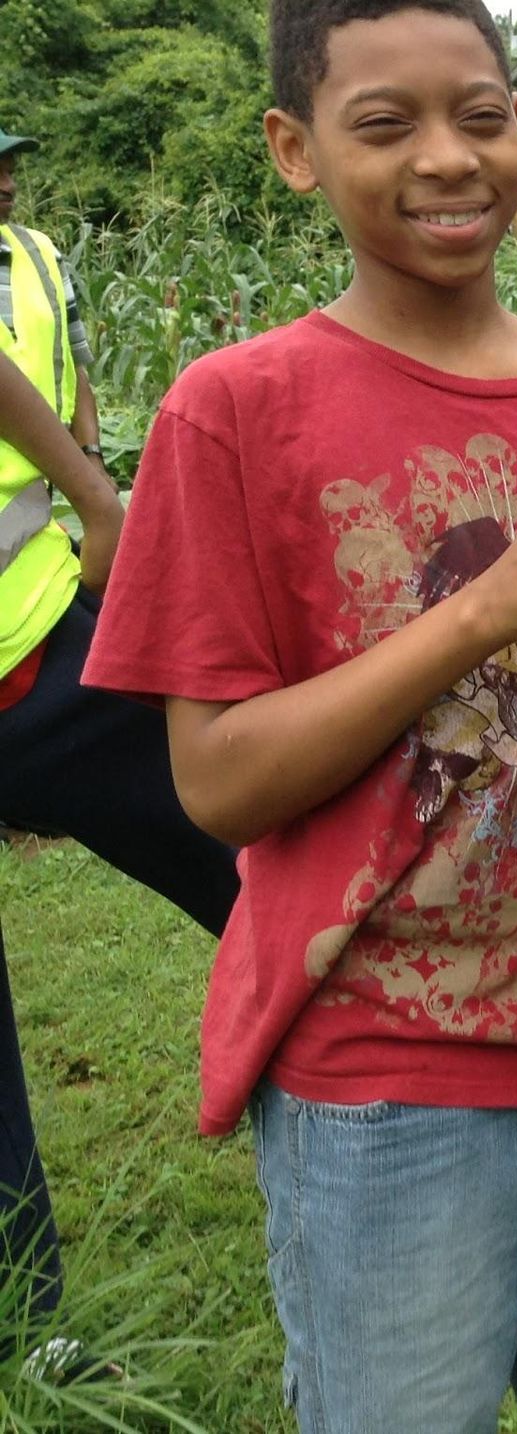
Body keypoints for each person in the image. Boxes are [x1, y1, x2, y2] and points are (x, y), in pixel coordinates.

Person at [80, 4, 517, 1429]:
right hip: (379, 1084)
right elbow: (216, 783)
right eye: (387, 124)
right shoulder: (234, 413)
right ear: (294, 149)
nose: (449, 158)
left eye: (484, 116)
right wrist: (489, 607)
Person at [1, 120, 242, 1332]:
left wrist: (97, 505)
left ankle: (342, 1071)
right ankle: (19, 1314)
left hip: (36, 639)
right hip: (33, 645)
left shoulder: (37, 255)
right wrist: (98, 494)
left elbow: (76, 389)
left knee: (232, 848)